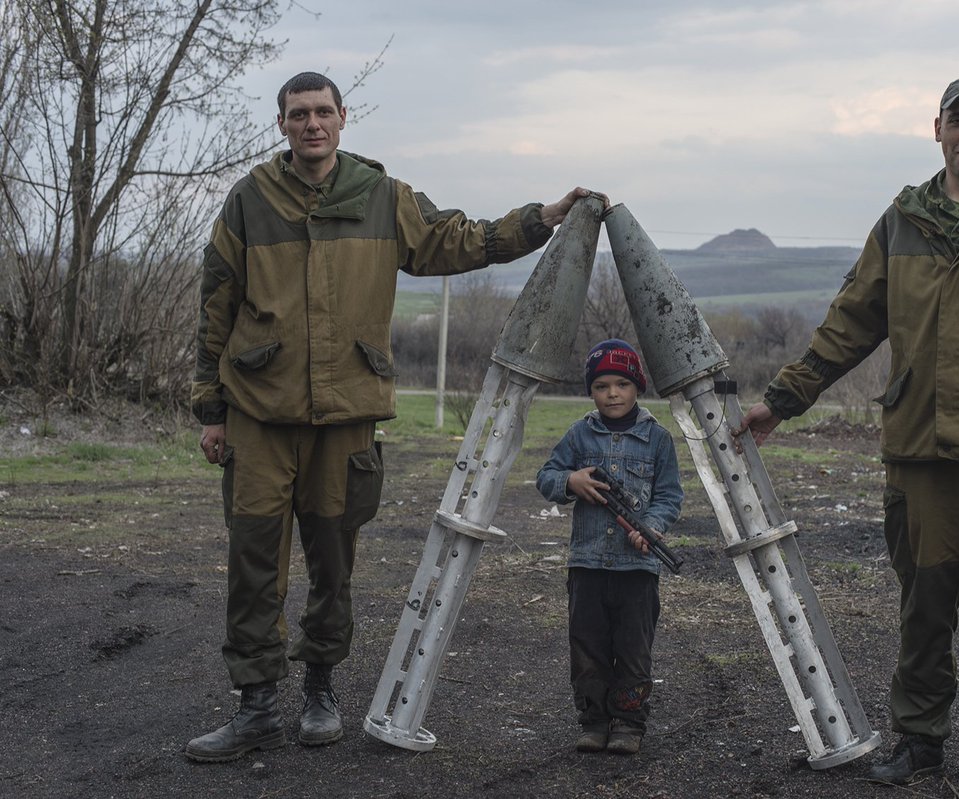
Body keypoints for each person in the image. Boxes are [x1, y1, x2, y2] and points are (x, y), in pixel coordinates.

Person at [186, 70, 601, 763]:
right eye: (298, 114)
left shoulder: (382, 197)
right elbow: (215, 301)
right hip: (259, 410)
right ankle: (256, 705)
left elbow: (459, 239)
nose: (311, 124)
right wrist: (211, 408)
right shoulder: (250, 199)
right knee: (253, 562)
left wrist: (542, 218)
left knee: (333, 561)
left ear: (342, 118)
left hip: (347, 411)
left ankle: (319, 691)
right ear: (282, 124)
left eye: (322, 112)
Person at [735, 75, 959, 798]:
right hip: (922, 451)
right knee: (924, 608)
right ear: (936, 129)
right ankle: (920, 740)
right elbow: (850, 322)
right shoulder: (902, 221)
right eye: (958, 120)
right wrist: (785, 399)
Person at [536, 339, 683, 756]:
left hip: (637, 569)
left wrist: (651, 528)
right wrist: (571, 481)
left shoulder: (657, 439)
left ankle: (629, 724)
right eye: (601, 386)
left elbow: (669, 496)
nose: (612, 394)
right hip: (586, 566)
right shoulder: (579, 434)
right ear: (591, 391)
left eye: (622, 384)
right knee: (587, 648)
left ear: (638, 387)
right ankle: (595, 722)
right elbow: (546, 476)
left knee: (634, 651)